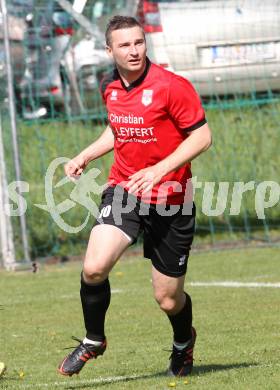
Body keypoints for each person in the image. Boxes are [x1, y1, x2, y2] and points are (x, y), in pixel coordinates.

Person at [58, 15, 212, 377]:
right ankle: (94, 339)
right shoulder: (109, 86)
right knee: (94, 268)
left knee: (168, 299)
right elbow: (118, 128)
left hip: (172, 200)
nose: (134, 51)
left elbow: (202, 137)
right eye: (125, 45)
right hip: (125, 190)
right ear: (109, 50)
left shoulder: (172, 86)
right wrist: (85, 155)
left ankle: (182, 343)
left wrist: (160, 170)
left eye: (139, 42)